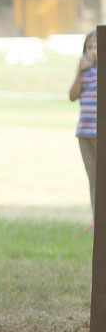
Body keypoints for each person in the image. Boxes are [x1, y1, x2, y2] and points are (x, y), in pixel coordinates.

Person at [69, 29, 97, 230]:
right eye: (88, 47)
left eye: (96, 47)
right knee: (93, 178)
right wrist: (79, 72)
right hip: (84, 133)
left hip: (99, 134)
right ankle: (98, 220)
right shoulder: (85, 74)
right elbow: (72, 95)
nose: (91, 51)